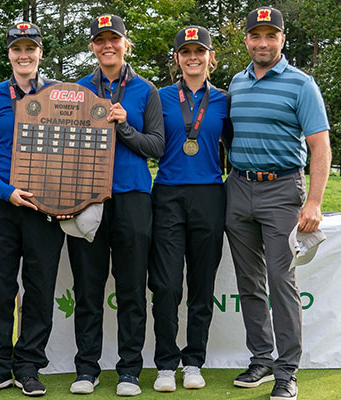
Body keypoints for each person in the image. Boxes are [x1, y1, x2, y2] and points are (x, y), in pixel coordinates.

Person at [225, 7, 331, 400]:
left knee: (281, 282)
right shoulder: (236, 82)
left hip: (282, 192)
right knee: (249, 282)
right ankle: (262, 359)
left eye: (271, 36)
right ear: (248, 40)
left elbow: (319, 145)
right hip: (237, 187)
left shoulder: (301, 84)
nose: (263, 43)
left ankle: (287, 371)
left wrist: (315, 201)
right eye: (256, 36)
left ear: (282, 40)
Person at [66, 14, 165, 397]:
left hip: (133, 197)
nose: (108, 45)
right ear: (92, 46)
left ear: (126, 44)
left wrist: (123, 127)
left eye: (114, 39)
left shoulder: (144, 90)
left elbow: (156, 146)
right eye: (100, 40)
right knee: (88, 289)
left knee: (131, 290)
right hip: (87, 197)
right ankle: (86, 369)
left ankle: (129, 371)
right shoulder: (75, 91)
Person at [0, 22, 65, 397]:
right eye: (16, 49)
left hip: (46, 203)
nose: (23, 55)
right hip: (3, 203)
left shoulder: (61, 94)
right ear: (9, 54)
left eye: (30, 48)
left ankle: (28, 365)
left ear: (40, 52)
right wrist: (6, 191)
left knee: (40, 287)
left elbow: (74, 150)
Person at [148, 26, 231, 393]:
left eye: (200, 51)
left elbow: (236, 148)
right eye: (186, 52)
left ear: (211, 57)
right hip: (167, 195)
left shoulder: (226, 100)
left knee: (202, 284)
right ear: (177, 59)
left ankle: (194, 360)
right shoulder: (160, 96)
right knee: (165, 286)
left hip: (211, 196)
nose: (193, 57)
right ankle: (166, 363)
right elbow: (147, 140)